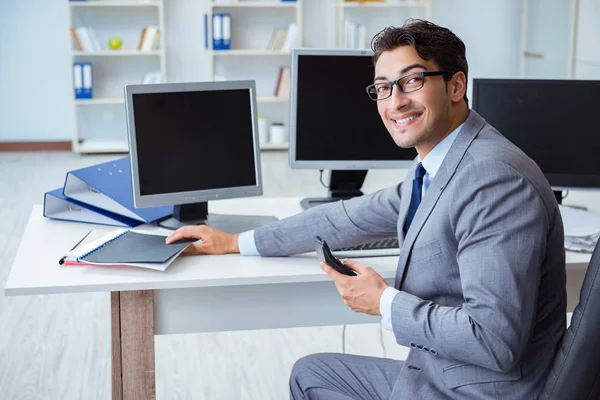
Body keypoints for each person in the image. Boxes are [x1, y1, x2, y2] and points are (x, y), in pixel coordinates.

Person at [166, 19, 566, 400]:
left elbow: (493, 340)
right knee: (312, 374)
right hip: (447, 373)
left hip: (481, 390)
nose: (395, 101)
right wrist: (236, 241)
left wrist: (384, 301)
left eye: (412, 81)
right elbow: (345, 217)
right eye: (383, 88)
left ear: (456, 85)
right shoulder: (439, 163)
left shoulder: (492, 179)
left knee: (311, 378)